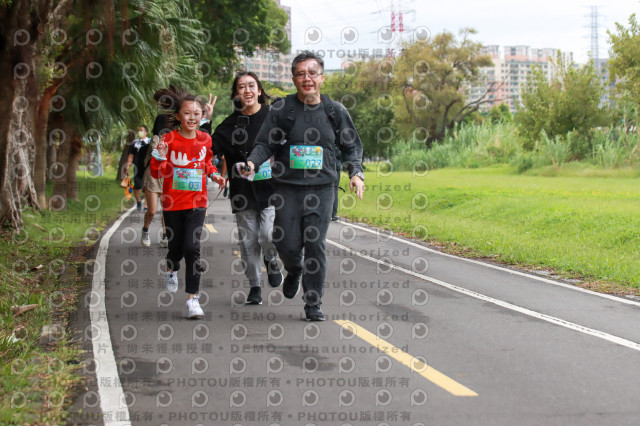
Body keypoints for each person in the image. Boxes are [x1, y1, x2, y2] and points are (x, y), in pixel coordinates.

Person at [242, 51, 365, 321]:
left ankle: (313, 304)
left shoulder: (335, 111)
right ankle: (295, 269)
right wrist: (252, 163)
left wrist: (356, 173)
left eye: (312, 73)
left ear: (321, 77)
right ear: (294, 78)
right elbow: (265, 144)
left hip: (322, 189)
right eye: (300, 73)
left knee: (315, 243)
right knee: (285, 243)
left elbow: (351, 147)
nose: (306, 78)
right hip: (287, 189)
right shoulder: (281, 110)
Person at [206, 71, 283, 305]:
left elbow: (289, 144)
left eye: (252, 85)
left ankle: (271, 260)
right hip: (242, 192)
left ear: (259, 90)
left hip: (272, 189)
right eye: (241, 87)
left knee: (267, 233)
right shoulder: (229, 125)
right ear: (236, 94)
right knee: (248, 241)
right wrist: (206, 122)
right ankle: (255, 286)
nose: (247, 90)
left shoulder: (274, 117)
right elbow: (208, 149)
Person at [150, 86, 225, 319]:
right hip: (173, 203)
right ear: (178, 116)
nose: (192, 118)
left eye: (197, 113)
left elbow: (207, 163)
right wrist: (160, 155)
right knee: (176, 249)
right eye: (187, 113)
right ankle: (171, 267)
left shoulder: (205, 139)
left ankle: (193, 299)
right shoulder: (168, 139)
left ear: (202, 115)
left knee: (192, 249)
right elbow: (157, 173)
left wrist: (214, 175)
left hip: (197, 202)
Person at [141, 113, 170, 247]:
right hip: (152, 175)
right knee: (152, 210)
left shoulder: (175, 138)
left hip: (167, 176)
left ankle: (165, 236)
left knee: (167, 210)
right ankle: (146, 230)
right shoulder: (155, 138)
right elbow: (156, 152)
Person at [125, 125, 150, 211]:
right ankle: (139, 201)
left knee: (147, 187)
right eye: (139, 130)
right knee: (137, 186)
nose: (140, 132)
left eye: (142, 130)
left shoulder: (149, 142)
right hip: (137, 168)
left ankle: (146, 205)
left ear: (146, 132)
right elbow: (131, 156)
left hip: (147, 168)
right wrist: (128, 166)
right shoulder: (134, 143)